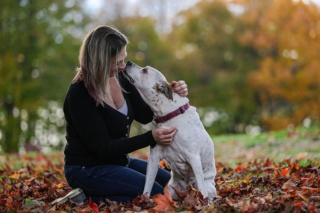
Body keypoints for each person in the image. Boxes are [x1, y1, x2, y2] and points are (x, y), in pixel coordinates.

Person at [62, 25, 188, 204]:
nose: (123, 66)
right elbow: (103, 148)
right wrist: (151, 137)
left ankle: (107, 196)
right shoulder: (79, 93)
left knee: (172, 185)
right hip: (87, 168)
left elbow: (145, 115)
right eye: (117, 62)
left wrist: (169, 92)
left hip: (119, 162)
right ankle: (83, 199)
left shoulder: (120, 78)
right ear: (101, 61)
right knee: (158, 195)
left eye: (124, 59)